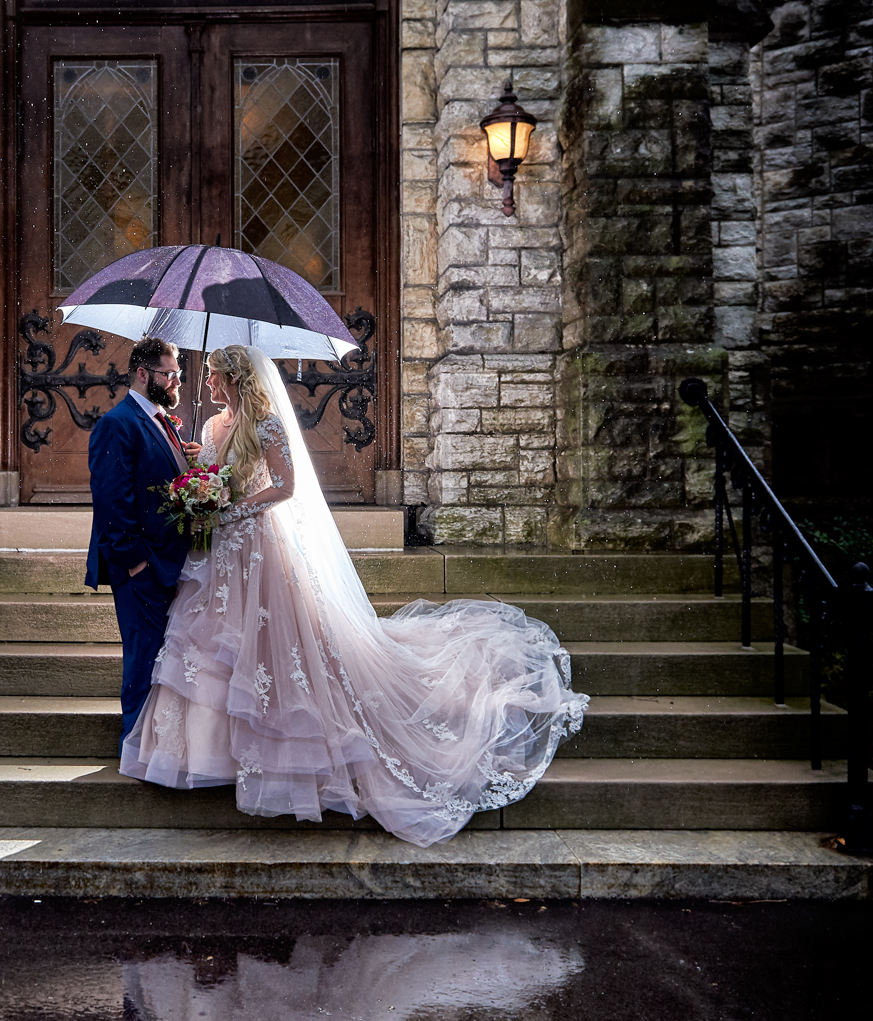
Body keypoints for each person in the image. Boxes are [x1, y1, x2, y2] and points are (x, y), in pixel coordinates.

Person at [120, 344, 588, 846]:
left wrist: (232, 508)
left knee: (275, 646)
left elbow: (285, 486)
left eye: (215, 377)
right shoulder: (211, 428)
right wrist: (202, 477)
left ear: (237, 379)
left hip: (260, 546)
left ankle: (287, 749)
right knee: (211, 648)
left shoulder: (270, 425)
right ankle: (212, 754)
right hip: (220, 557)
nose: (207, 385)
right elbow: (218, 475)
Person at [85, 335, 202, 744]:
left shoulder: (161, 420)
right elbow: (112, 500)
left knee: (162, 657)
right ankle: (132, 746)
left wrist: (189, 460)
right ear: (141, 372)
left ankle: (158, 747)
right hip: (141, 566)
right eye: (168, 374)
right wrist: (135, 561)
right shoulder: (116, 424)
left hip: (169, 563)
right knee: (142, 659)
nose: (176, 383)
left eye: (178, 375)